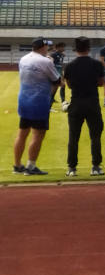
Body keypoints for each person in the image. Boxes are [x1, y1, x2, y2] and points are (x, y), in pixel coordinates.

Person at [13, 38, 59, 175]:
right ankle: (30, 167)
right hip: (39, 102)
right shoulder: (46, 61)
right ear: (42, 47)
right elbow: (57, 80)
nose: (48, 49)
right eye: (47, 47)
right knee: (38, 134)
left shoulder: (23, 59)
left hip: (24, 100)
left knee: (22, 133)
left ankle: (17, 165)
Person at [62, 36, 105, 176]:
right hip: (92, 103)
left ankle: (72, 168)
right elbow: (101, 83)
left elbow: (68, 85)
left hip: (76, 103)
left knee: (73, 137)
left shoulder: (69, 66)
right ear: (89, 48)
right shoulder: (97, 65)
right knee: (95, 136)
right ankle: (96, 167)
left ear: (76, 49)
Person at [50, 41, 68, 112]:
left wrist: (62, 74)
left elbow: (60, 64)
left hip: (60, 73)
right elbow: (51, 64)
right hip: (55, 74)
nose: (63, 48)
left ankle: (63, 101)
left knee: (63, 86)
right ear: (58, 47)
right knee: (54, 90)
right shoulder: (53, 54)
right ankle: (49, 106)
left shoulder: (61, 55)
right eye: (62, 47)